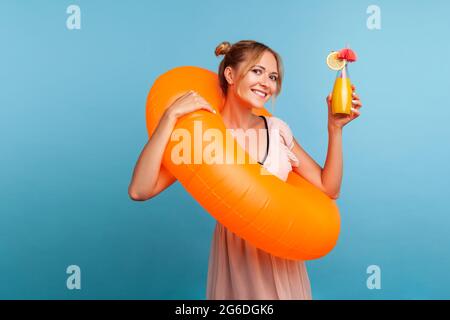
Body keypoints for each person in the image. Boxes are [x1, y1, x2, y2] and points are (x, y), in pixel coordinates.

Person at [128, 40, 363, 300]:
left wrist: (335, 129)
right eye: (257, 71)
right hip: (235, 263)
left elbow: (329, 188)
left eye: (273, 77)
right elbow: (140, 190)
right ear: (230, 75)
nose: (267, 82)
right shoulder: (203, 138)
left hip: (283, 259)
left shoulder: (277, 130)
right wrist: (169, 118)